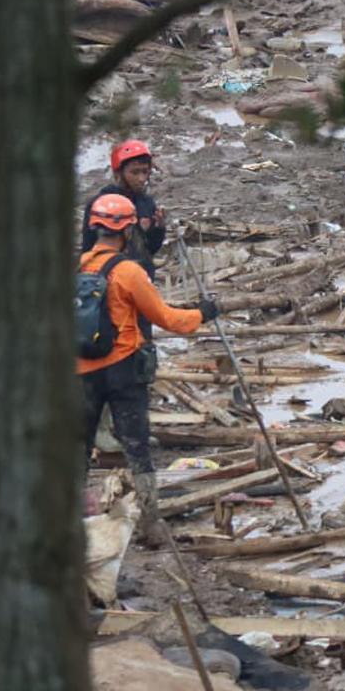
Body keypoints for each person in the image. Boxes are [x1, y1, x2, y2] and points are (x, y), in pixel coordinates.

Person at [78, 194, 217, 543]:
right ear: (126, 230)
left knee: (79, 449)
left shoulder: (79, 268)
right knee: (137, 446)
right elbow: (168, 319)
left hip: (81, 371)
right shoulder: (129, 272)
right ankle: (151, 523)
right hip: (123, 369)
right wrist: (203, 314)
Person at [82, 139, 167, 281]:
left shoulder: (146, 202)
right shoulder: (101, 205)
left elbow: (150, 249)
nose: (141, 179)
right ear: (119, 173)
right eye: (134, 172)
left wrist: (158, 229)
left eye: (145, 172)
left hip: (141, 278)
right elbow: (88, 248)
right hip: (111, 280)